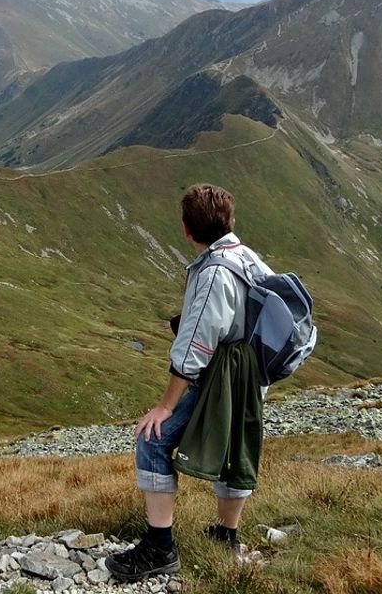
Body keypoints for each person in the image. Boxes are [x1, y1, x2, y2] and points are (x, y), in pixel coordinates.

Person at [105, 183, 271, 581]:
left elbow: (195, 347)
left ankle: (160, 547)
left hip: (220, 377)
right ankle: (225, 536)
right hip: (250, 374)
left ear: (186, 231)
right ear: (231, 221)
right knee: (235, 446)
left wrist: (164, 407)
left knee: (153, 438)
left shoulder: (213, 272)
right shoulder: (247, 258)